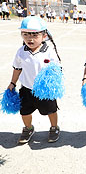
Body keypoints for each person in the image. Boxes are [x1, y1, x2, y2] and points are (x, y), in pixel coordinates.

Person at [7, 16, 61, 144]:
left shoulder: (49, 51)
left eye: (34, 35)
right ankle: (28, 128)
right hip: (26, 89)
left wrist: (51, 83)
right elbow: (17, 69)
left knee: (51, 111)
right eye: (25, 34)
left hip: (44, 90)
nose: (30, 39)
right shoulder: (21, 52)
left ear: (44, 36)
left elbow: (57, 69)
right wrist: (12, 83)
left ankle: (54, 128)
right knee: (24, 112)